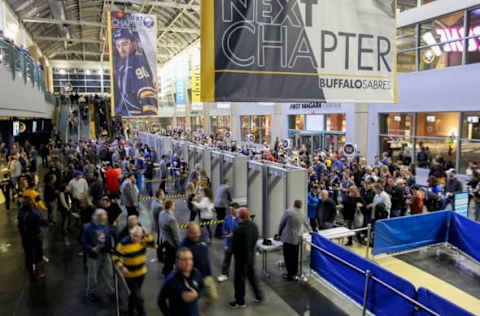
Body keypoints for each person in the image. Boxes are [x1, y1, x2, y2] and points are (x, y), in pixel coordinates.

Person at [112, 28, 157, 116]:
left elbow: (146, 91)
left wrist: (149, 113)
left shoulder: (137, 61)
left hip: (135, 114)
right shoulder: (122, 66)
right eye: (118, 45)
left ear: (134, 43)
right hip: (124, 113)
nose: (121, 49)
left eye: (124, 44)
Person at [113, 225, 155, 316]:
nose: (134, 238)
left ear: (141, 236)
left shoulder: (143, 240)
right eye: (132, 235)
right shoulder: (123, 243)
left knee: (134, 294)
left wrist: (147, 234)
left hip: (141, 273)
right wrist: (122, 267)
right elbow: (115, 256)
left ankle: (130, 310)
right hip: (129, 275)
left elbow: (154, 245)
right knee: (139, 298)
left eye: (137, 236)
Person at [231, 208, 263, 309]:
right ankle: (258, 296)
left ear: (240, 217)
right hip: (250, 257)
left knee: (239, 281)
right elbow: (255, 239)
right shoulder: (254, 226)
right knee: (252, 277)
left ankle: (240, 302)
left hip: (240, 259)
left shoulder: (238, 229)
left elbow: (234, 246)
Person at [157, 248, 204, 316]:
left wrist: (197, 295)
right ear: (177, 261)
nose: (188, 262)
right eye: (184, 259)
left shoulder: (196, 273)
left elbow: (202, 287)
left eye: (190, 259)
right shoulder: (171, 280)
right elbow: (161, 300)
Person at [80, 209, 114, 302]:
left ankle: (111, 291)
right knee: (93, 277)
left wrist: (110, 248)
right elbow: (83, 242)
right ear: (98, 218)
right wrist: (91, 248)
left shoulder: (105, 224)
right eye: (103, 218)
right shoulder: (88, 228)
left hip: (105, 254)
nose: (105, 219)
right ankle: (91, 293)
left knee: (109, 274)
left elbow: (108, 237)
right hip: (94, 256)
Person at [180, 222, 218, 301]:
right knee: (193, 299)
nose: (197, 235)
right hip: (193, 279)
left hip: (207, 275)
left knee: (213, 297)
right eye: (194, 233)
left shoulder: (202, 237)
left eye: (198, 232)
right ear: (188, 233)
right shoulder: (184, 247)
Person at [276, 200, 311, 281]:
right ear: (300, 206)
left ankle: (289, 274)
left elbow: (282, 223)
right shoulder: (302, 214)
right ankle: (294, 273)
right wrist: (311, 231)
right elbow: (307, 225)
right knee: (295, 257)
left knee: (288, 257)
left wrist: (279, 233)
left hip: (287, 238)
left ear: (294, 204)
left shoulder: (288, 212)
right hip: (296, 238)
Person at [17, 196, 48, 280]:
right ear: (31, 204)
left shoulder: (20, 213)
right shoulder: (35, 213)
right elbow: (44, 222)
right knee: (38, 255)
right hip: (36, 237)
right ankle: (39, 273)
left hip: (25, 238)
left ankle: (31, 275)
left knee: (28, 256)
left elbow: (19, 226)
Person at [217, 203, 239, 282]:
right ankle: (224, 274)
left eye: (233, 209)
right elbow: (224, 229)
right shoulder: (227, 218)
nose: (231, 211)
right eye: (230, 209)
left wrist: (233, 234)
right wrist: (226, 235)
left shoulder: (240, 219)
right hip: (229, 243)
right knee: (226, 260)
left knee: (239, 261)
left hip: (238, 244)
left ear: (237, 209)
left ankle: (239, 275)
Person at [158, 199, 180, 276]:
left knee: (168, 257)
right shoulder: (171, 219)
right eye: (174, 205)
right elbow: (175, 234)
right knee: (171, 259)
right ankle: (168, 273)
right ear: (171, 207)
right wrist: (178, 244)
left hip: (163, 238)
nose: (175, 206)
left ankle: (165, 270)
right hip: (170, 242)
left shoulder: (161, 213)